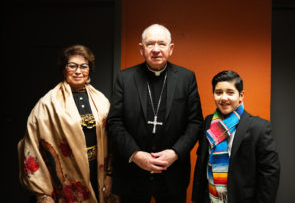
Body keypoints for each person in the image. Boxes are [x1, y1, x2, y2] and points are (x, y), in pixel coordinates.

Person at [107, 24, 203, 203]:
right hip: (132, 174)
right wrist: (135, 154)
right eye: (150, 44)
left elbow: (195, 122)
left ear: (171, 48)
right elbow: (114, 122)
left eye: (162, 44)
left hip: (173, 173)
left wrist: (175, 152)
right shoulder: (124, 78)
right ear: (141, 48)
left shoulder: (186, 78)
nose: (156, 50)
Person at [18, 45, 114, 203]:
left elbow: (112, 140)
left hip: (97, 171)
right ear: (63, 69)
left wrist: (109, 175)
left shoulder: (101, 100)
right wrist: (42, 193)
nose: (78, 71)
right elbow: (31, 144)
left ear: (90, 69)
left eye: (84, 66)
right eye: (72, 66)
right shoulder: (48, 103)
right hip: (67, 177)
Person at [192, 70, 280, 203]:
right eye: (218, 92)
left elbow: (270, 173)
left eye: (230, 92)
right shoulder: (209, 122)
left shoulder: (259, 127)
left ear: (241, 95)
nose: (223, 98)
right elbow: (201, 162)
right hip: (210, 197)